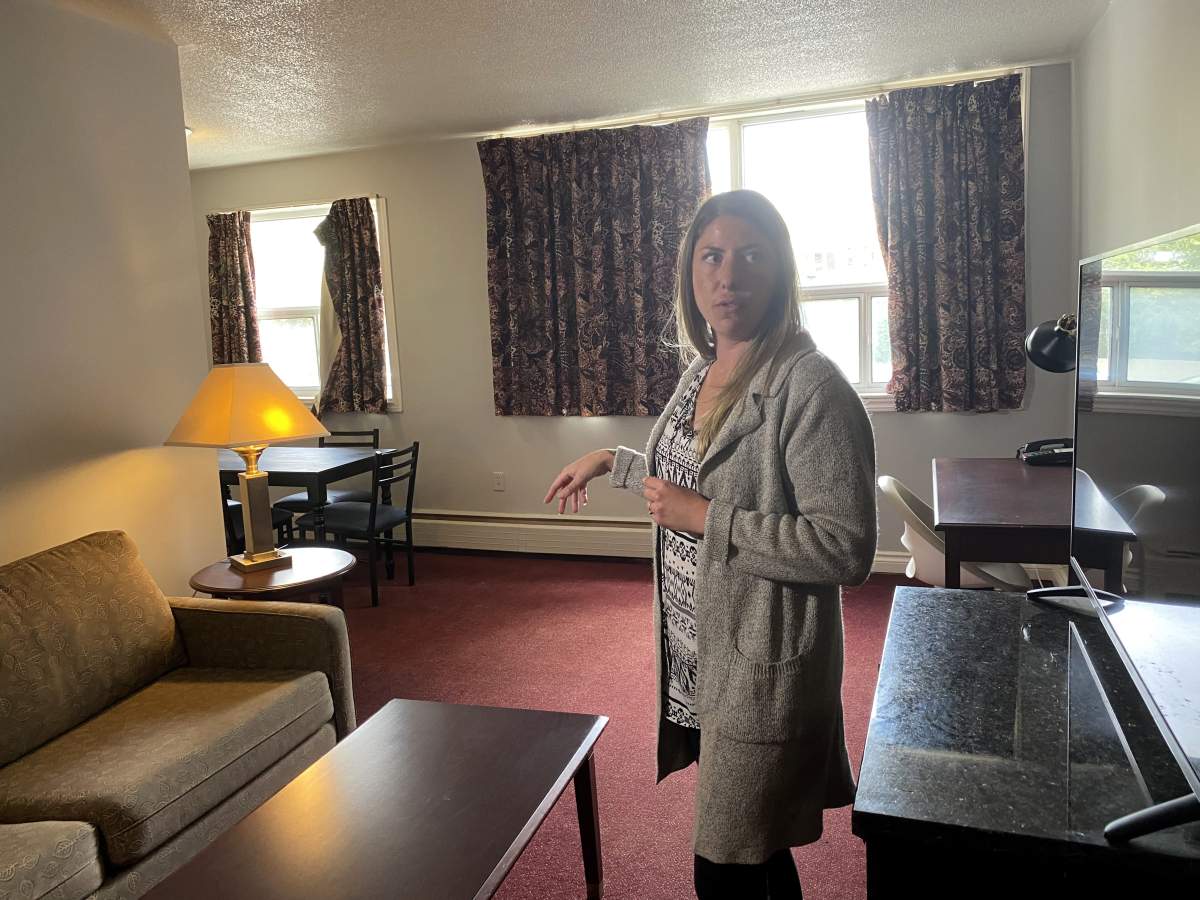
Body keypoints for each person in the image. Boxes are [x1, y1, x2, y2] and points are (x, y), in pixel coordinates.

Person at [544, 189, 877, 899]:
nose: (730, 275)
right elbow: (684, 486)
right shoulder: (705, 368)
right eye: (712, 256)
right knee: (755, 850)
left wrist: (708, 519)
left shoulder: (810, 386)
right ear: (691, 277)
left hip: (762, 665)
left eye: (751, 255)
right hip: (706, 652)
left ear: (780, 271)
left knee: (723, 864)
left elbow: (845, 548)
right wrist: (612, 460)